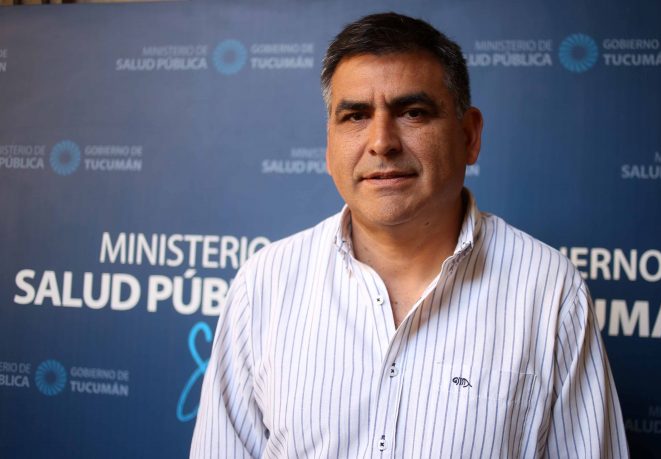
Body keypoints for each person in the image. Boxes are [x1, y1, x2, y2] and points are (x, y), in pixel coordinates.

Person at [191, 12, 628, 458]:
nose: (382, 142)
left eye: (412, 113)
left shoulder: (549, 289)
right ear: (329, 144)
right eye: (356, 116)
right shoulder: (264, 285)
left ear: (469, 135)